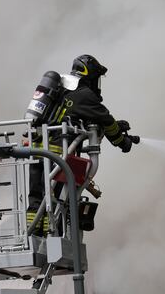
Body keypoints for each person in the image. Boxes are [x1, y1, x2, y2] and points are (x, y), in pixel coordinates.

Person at [26, 54, 138, 234]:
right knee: (56, 198)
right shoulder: (84, 94)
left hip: (36, 151)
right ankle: (51, 233)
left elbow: (74, 115)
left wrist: (114, 124)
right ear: (90, 75)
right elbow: (105, 119)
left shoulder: (62, 88)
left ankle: (35, 233)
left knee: (38, 196)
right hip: (58, 153)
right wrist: (122, 141)